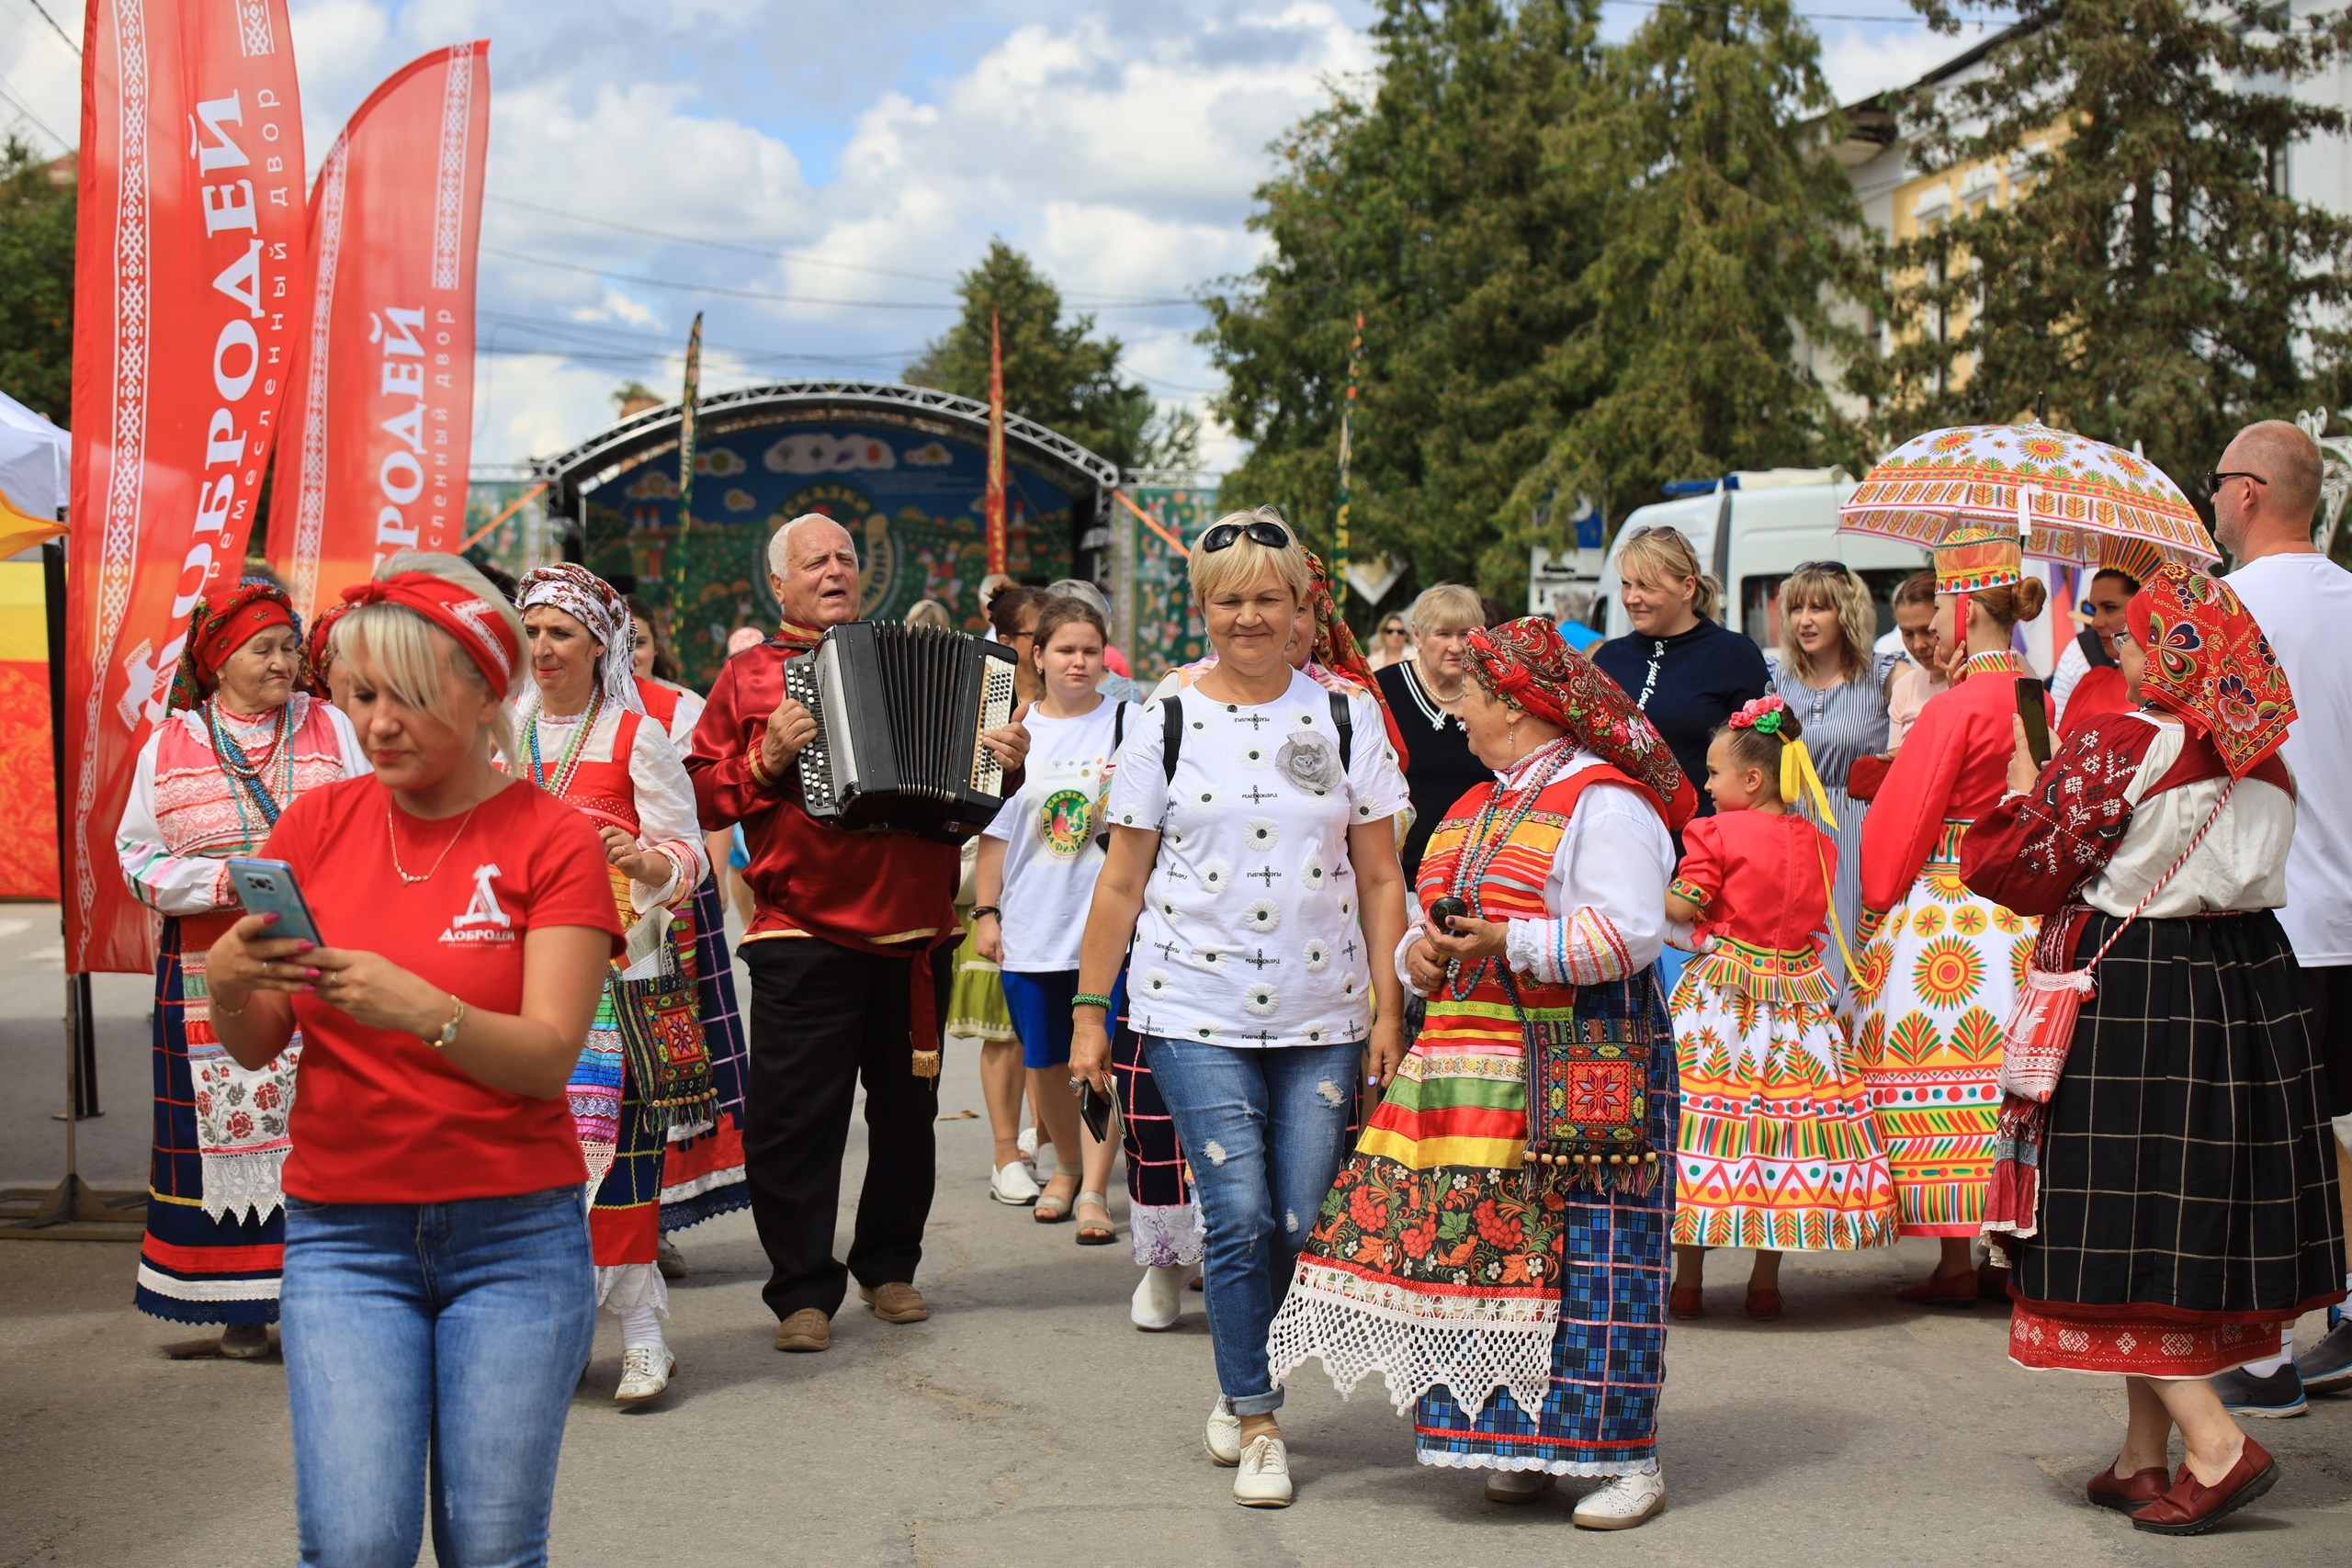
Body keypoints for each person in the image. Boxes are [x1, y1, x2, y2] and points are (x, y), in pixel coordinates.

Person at [201, 555, 618, 1565]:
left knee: (491, 1548)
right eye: (360, 695)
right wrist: (226, 980)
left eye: (411, 697)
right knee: (354, 1546)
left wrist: (425, 1011)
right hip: (346, 1239)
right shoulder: (313, 826)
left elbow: (546, 1058)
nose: (378, 724)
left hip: (514, 1238)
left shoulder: (552, 838)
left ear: (486, 694)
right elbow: (260, 1045)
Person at [1267, 615, 1692, 1529]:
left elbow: (1627, 935)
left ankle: (1626, 1457)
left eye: (1468, 697)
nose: (1455, 716)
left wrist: (1508, 940)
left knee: (1597, 1253)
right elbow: (1434, 918)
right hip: (1476, 1062)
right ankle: (1519, 1444)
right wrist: (1423, 956)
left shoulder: (1602, 802)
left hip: (1587, 1052)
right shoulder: (1478, 803)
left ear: (1516, 706)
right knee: (1486, 1249)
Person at [1961, 562, 2345, 1532]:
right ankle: (2141, 1455)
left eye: (2133, 636)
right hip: (2245, 983)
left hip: (2136, 990)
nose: (2116, 649)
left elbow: (2010, 867)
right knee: (2173, 1220)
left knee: (2111, 1221)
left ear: (2175, 652)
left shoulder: (2119, 741)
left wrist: (2019, 785)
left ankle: (2214, 1443)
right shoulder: (2266, 759)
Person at [1070, 506, 1411, 1509]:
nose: (1249, 617)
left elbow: (1383, 876)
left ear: (1303, 607)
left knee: (1301, 1219)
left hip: (1325, 1013)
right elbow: (1121, 885)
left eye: (1269, 598)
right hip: (1191, 1007)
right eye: (1230, 601)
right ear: (1202, 609)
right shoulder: (1161, 718)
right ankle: (1255, 1413)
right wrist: (1093, 1011)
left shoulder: (1348, 716)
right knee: (1238, 1211)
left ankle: (1241, 1377)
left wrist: (1389, 1011)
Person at [686, 513, 1031, 1355]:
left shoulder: (939, 663)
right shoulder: (749, 675)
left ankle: (888, 1266)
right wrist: (763, 761)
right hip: (800, 928)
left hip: (915, 932)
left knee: (907, 1115)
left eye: (845, 557)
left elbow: (970, 804)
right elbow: (699, 794)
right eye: (816, 561)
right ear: (780, 583)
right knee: (794, 1120)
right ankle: (802, 1287)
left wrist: (1004, 764)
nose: (835, 569)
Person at [117, 584, 368, 1354]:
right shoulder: (171, 742)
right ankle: (241, 1301)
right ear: (220, 660)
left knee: (323, 1120)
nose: (284, 661)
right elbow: (136, 857)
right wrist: (224, 880)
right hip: (206, 964)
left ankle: (329, 1291)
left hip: (313, 953)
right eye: (264, 648)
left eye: (290, 647)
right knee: (220, 1130)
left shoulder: (329, 725)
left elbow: (370, 816)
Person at [514, 565, 713, 1407]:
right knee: (540, 1172)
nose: (542, 649)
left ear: (600, 643)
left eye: (560, 633)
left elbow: (691, 856)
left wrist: (649, 862)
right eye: (532, 633)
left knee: (622, 1167)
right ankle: (556, 1336)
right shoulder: (507, 733)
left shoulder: (636, 736)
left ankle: (644, 1340)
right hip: (522, 982)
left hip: (618, 976)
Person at [1852, 526, 2048, 1302]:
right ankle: (2015, 1245)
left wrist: (1879, 897)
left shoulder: (1954, 707)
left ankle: (1955, 1260)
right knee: (2015, 1082)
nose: (1931, 627)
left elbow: (1905, 819)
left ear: (1965, 613)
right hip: (2021, 911)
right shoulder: (2037, 693)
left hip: (1950, 897)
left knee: (1939, 1069)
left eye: (1941, 610)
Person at [1664, 695, 1899, 1320]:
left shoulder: (1713, 832)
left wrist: (1654, 898)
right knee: (1783, 1137)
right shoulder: (1818, 842)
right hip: (1799, 1002)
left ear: (1753, 778)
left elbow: (1683, 907)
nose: (1706, 785)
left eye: (1713, 773)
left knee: (1703, 1126)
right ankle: (1764, 1283)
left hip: (1724, 1001)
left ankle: (1688, 1280)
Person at [2219, 417, 2352, 1405]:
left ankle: (2264, 1363)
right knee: (2347, 1136)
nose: (2211, 497)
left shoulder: (2225, 613)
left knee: (2257, 1142)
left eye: (2217, 480)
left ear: (2251, 492)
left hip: (2272, 914)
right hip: (2345, 914)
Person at [974, 596, 1139, 1243]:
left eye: (1090, 650)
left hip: (1105, 928)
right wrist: (988, 914)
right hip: (1032, 925)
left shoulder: (1131, 721)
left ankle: (1096, 1186)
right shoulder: (1012, 730)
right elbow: (994, 833)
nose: (1078, 661)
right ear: (1037, 655)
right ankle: (1065, 1167)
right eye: (1065, 650)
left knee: (1100, 1061)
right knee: (1043, 1062)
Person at [622, 592, 750, 1267]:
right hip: (585, 911)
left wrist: (718, 869)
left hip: (671, 904)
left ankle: (656, 1220)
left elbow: (712, 808)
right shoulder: (537, 714)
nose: (629, 651)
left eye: (638, 640)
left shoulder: (678, 707)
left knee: (665, 1063)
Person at [1593, 525, 1770, 824]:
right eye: (1626, 584)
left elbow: (1764, 761)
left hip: (1703, 846)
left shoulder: (1732, 654)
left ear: (1687, 588)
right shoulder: (1608, 658)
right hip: (1620, 841)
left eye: (1646, 586)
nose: (1632, 598)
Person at [1769, 562, 1888, 986]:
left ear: (1847, 612)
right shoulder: (1776, 679)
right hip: (1791, 825)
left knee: (1853, 948)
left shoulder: (1884, 675)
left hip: (1857, 829)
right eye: (1796, 607)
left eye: (1819, 608)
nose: (1804, 620)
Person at [967, 583, 1049, 1195]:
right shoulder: (979, 702)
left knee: (1053, 1030)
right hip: (994, 887)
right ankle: (1005, 1155)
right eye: (1037, 637)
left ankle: (1048, 1141)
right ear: (1011, 643)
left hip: (1064, 889)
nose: (1052, 649)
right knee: (1003, 1028)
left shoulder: (1088, 704)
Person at [1376, 584, 1492, 883]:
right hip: (1403, 875)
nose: (1456, 646)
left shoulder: (1495, 693)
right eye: (1443, 634)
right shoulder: (1384, 692)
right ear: (1417, 635)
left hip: (1478, 875)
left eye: (1466, 634)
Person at [2051, 568, 2141, 742]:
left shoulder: (2172, 690)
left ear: (2144, 608)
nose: (2096, 622)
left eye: (2110, 608)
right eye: (2092, 609)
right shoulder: (2090, 682)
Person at [1882, 570, 1946, 755]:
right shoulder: (1904, 687)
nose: (1918, 645)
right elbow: (1895, 764)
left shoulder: (1992, 673)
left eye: (1928, 631)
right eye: (1908, 634)